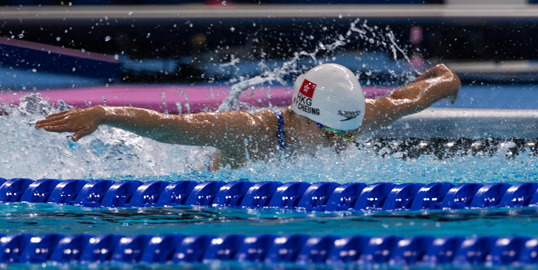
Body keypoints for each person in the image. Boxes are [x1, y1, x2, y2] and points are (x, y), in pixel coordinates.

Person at [35, 63, 460, 170]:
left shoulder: (351, 118)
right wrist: (104, 112)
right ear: (304, 116)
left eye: (349, 134)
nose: (344, 142)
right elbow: (171, 126)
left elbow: (410, 98)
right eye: (334, 133)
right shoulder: (249, 130)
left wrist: (445, 81)